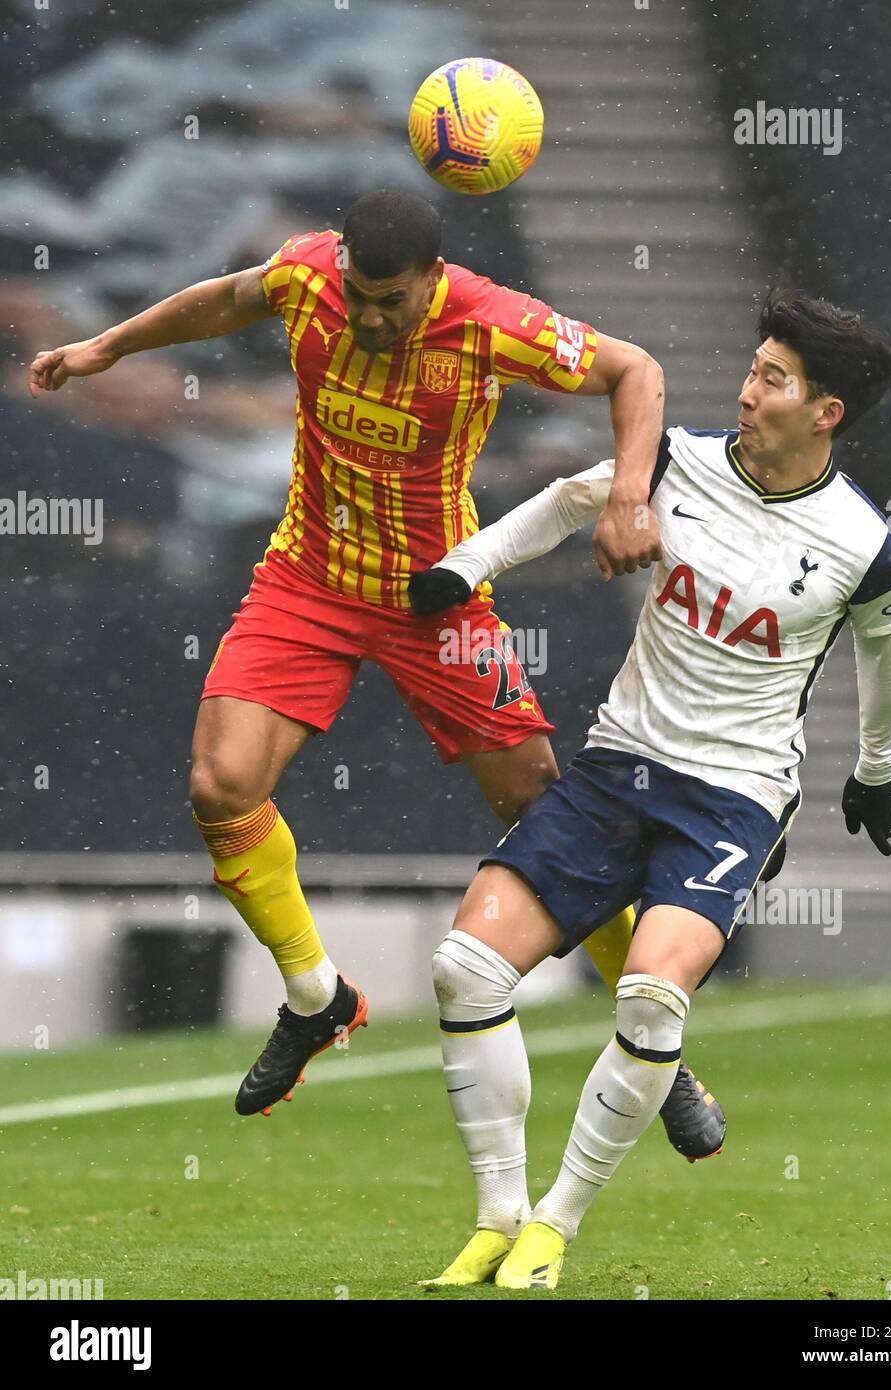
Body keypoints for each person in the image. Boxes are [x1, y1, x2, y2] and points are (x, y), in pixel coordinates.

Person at [28, 187, 722, 1157]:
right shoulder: (312, 272)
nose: (369, 314)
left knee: (547, 810)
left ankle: (658, 1050)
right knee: (220, 786)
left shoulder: (490, 321)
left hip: (436, 594)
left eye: (390, 300)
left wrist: (631, 496)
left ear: (432, 280)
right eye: (359, 293)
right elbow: (228, 298)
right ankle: (317, 998)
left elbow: (634, 369)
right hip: (306, 578)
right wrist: (109, 347)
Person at [416, 288, 891, 1289]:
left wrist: (877, 775)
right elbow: (568, 500)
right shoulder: (678, 462)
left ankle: (555, 1225)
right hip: (615, 767)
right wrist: (465, 567)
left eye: (773, 378)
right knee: (465, 967)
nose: (747, 388)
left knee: (648, 993)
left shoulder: (868, 549)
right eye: (752, 366)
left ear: (826, 413)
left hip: (733, 799)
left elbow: (884, 661)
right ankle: (497, 1214)